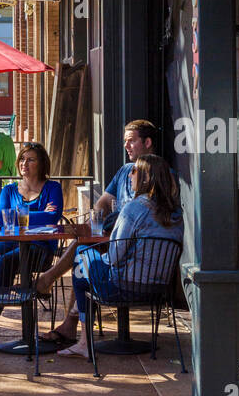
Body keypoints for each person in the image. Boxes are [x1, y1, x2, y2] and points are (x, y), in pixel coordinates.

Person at [43, 155, 182, 359]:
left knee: (82, 257)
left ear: (145, 178)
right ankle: (76, 317)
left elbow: (115, 257)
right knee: (88, 264)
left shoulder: (134, 208)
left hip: (124, 287)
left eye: (134, 171)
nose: (130, 175)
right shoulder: (176, 212)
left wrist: (99, 259)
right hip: (160, 290)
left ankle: (84, 340)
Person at [39, 118, 162, 345]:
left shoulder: (159, 175)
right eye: (125, 142)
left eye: (131, 141)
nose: (126, 146)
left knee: (84, 259)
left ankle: (57, 297)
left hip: (134, 256)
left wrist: (119, 226)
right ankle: (69, 321)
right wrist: (98, 220)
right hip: (122, 245)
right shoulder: (126, 170)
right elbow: (104, 202)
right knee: (85, 249)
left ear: (147, 142)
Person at [0, 142, 63, 344]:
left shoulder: (52, 188)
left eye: (31, 159)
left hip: (40, 249)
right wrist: (36, 215)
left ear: (41, 164)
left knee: (5, 261)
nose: (25, 163)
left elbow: (52, 217)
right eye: (22, 159)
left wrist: (18, 216)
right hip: (12, 241)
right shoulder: (9, 190)